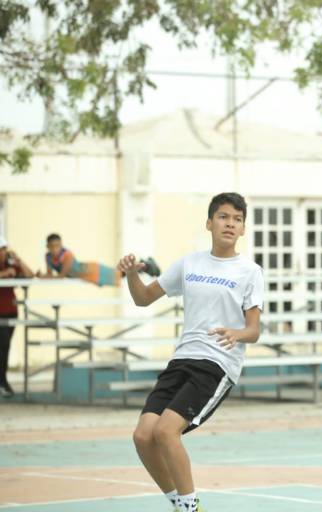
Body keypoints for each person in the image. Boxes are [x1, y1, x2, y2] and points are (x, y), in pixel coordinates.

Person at [125, 193, 264, 512]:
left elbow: (253, 330)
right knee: (143, 436)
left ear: (243, 229)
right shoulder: (190, 263)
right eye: (224, 216)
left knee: (165, 431)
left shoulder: (249, 271)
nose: (230, 223)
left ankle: (190, 506)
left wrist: (237, 332)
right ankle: (177, 501)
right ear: (209, 223)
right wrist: (132, 274)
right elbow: (144, 298)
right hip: (181, 360)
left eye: (237, 219)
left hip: (216, 365)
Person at [39, 233, 160, 286]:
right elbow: (50, 274)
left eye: (58, 246)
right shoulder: (48, 257)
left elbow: (61, 276)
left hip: (90, 270)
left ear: (61, 245)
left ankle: (146, 265)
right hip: (83, 275)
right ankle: (145, 266)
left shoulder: (67, 255)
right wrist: (44, 276)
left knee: (121, 273)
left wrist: (43, 277)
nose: (55, 249)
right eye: (52, 247)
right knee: (121, 273)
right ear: (47, 247)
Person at [0, 236, 34, 397]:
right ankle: (2, 381)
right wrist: (4, 273)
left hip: (10, 311)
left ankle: (2, 381)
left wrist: (19, 261)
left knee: (4, 346)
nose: (2, 253)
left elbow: (29, 276)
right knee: (3, 345)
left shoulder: (11, 262)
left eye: (3, 249)